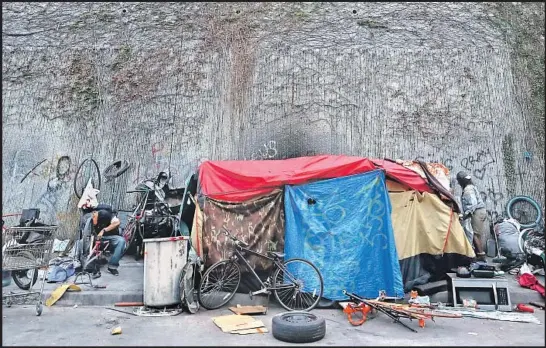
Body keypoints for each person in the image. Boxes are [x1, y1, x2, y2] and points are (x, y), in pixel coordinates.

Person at [456, 171, 488, 259]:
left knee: (474, 234)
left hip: (476, 212)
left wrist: (464, 215)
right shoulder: (471, 187)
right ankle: (478, 253)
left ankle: (481, 255)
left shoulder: (468, 190)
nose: (458, 183)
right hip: (479, 211)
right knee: (475, 234)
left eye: (459, 181)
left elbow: (472, 204)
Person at [83, 209, 125, 276]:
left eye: (94, 215)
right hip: (94, 237)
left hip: (109, 236)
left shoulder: (105, 215)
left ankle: (112, 266)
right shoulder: (88, 219)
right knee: (82, 243)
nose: (93, 216)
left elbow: (117, 222)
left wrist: (104, 230)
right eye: (92, 215)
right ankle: (87, 264)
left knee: (121, 241)